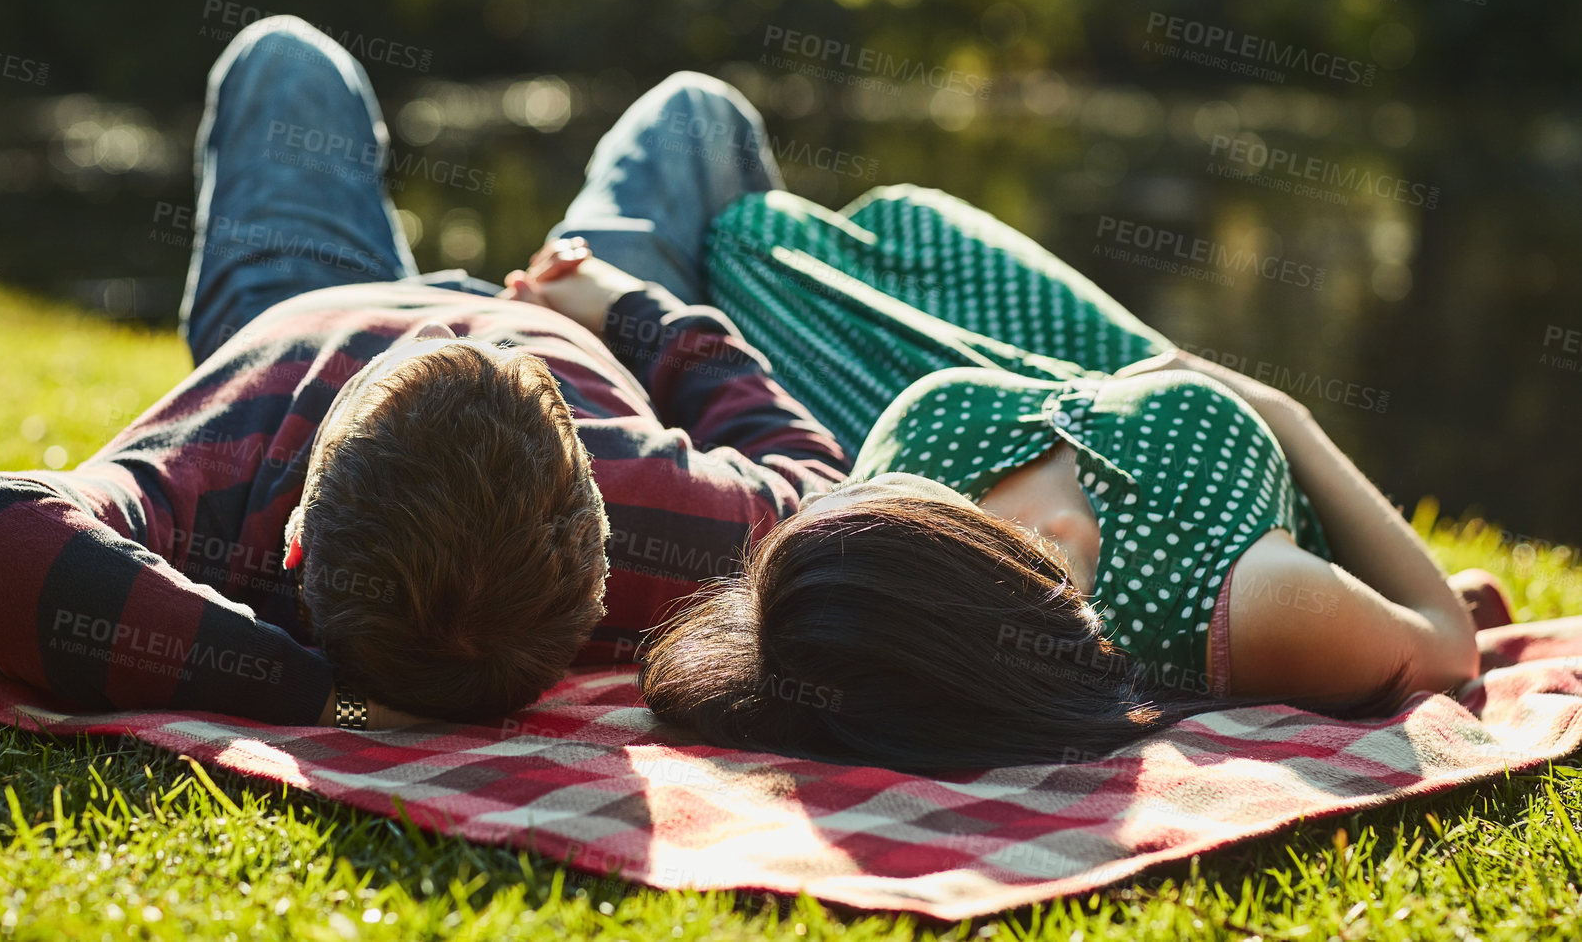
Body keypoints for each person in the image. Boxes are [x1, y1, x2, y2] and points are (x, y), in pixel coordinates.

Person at [500, 78, 1505, 774]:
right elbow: (1450, 648)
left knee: (718, 157)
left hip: (999, 361)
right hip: (1187, 422)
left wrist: (630, 317)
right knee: (705, 146)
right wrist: (1277, 410)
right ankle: (502, 307)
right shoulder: (1232, 593)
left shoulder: (901, 465)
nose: (872, 494)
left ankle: (498, 308)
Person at [0, 17, 846, 729]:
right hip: (569, 303)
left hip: (304, 311)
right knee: (695, 111)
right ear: (604, 549)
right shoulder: (661, 513)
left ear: (297, 543)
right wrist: (632, 316)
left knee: (285, 55)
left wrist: (318, 695)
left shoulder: (215, 477)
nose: (447, 322)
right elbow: (823, 487)